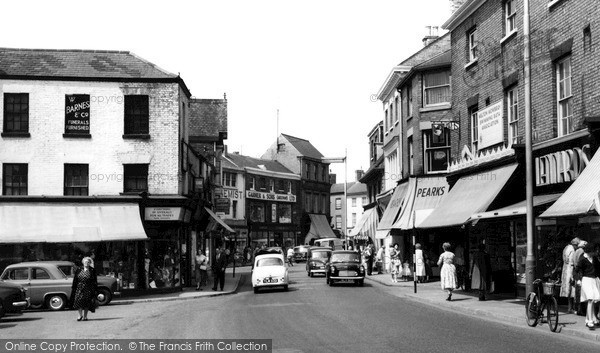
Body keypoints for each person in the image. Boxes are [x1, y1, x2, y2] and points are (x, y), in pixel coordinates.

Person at [574, 242, 600, 329]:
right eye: (594, 251)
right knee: (590, 299)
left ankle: (589, 319)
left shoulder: (594, 258)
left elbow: (598, 269)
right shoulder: (583, 259)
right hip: (587, 280)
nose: (596, 252)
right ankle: (590, 321)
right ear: (590, 251)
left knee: (594, 300)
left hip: (594, 280)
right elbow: (576, 270)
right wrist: (578, 279)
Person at [70, 256, 98, 321]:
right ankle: (80, 315)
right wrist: (74, 287)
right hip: (79, 288)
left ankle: (85, 316)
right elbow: (75, 279)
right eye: (85, 262)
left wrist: (95, 289)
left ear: (89, 263)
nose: (86, 263)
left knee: (87, 302)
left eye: (88, 262)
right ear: (83, 262)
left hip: (88, 288)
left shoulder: (92, 270)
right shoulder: (79, 269)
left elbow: (94, 280)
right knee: (78, 301)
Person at [560, 237, 580, 313]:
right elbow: (572, 261)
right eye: (577, 245)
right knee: (572, 288)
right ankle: (571, 307)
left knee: (569, 289)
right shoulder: (572, 250)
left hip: (565, 269)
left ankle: (570, 307)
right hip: (570, 270)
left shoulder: (566, 248)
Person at [574, 240, 588, 315]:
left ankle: (577, 309)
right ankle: (581, 310)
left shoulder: (576, 251)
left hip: (577, 271)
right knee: (581, 293)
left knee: (578, 293)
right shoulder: (582, 252)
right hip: (581, 273)